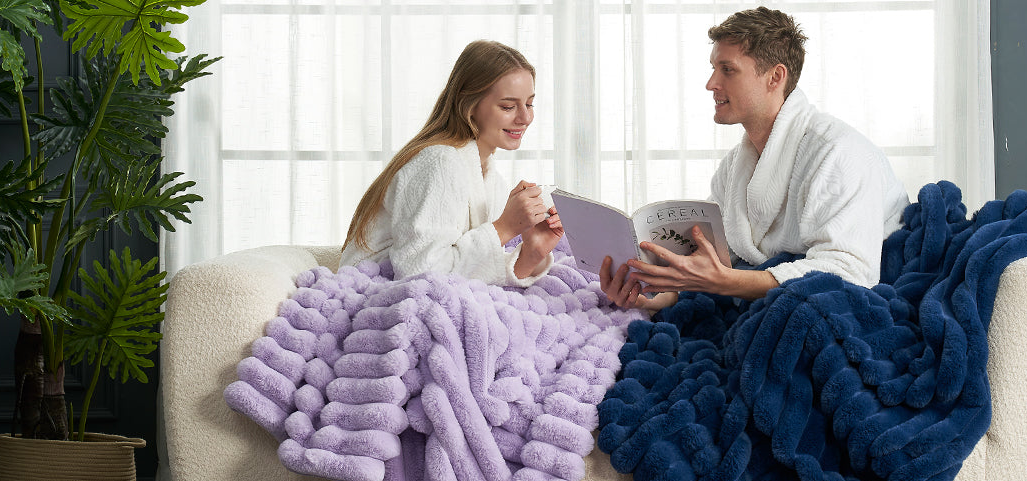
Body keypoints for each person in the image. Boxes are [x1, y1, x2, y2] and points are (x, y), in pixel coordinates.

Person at [600, 7, 910, 310]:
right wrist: (653, 296)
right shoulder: (735, 166)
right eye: (713, 68)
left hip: (876, 290)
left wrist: (727, 282)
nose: (711, 84)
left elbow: (850, 273)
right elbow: (713, 264)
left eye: (728, 70)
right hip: (779, 293)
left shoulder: (838, 153)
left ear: (775, 77)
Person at [341, 40, 562, 286]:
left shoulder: (491, 179)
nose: (525, 117)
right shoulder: (440, 162)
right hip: (370, 291)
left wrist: (533, 253)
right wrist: (505, 227)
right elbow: (420, 274)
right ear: (469, 105)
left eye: (529, 104)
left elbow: (466, 269)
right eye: (508, 106)